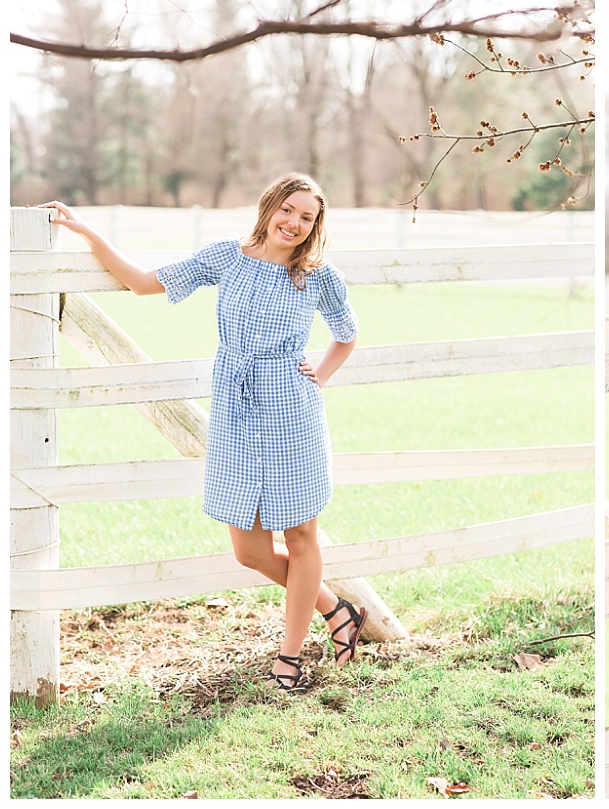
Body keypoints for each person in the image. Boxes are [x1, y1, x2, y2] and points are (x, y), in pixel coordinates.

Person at [44, 173, 367, 693]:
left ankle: (290, 656)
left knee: (301, 537)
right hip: (237, 413)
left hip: (291, 412)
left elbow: (346, 334)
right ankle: (337, 609)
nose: (294, 224)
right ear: (269, 207)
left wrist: (320, 376)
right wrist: (90, 234)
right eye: (288, 210)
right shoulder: (229, 256)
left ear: (316, 225)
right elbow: (145, 282)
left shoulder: (317, 275)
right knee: (250, 550)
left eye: (307, 217)